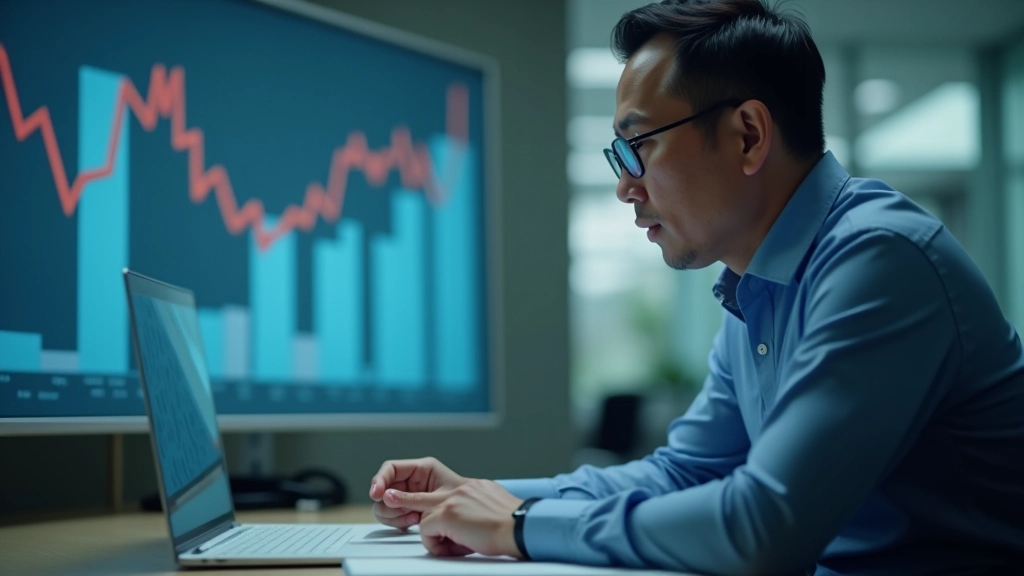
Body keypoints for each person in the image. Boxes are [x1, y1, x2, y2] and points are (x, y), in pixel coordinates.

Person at [369, 1, 1024, 574]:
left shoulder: (880, 261)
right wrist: (481, 495)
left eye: (638, 146)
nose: (626, 185)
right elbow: (684, 472)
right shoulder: (754, 287)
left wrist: (518, 527)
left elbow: (765, 526)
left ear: (748, 135)